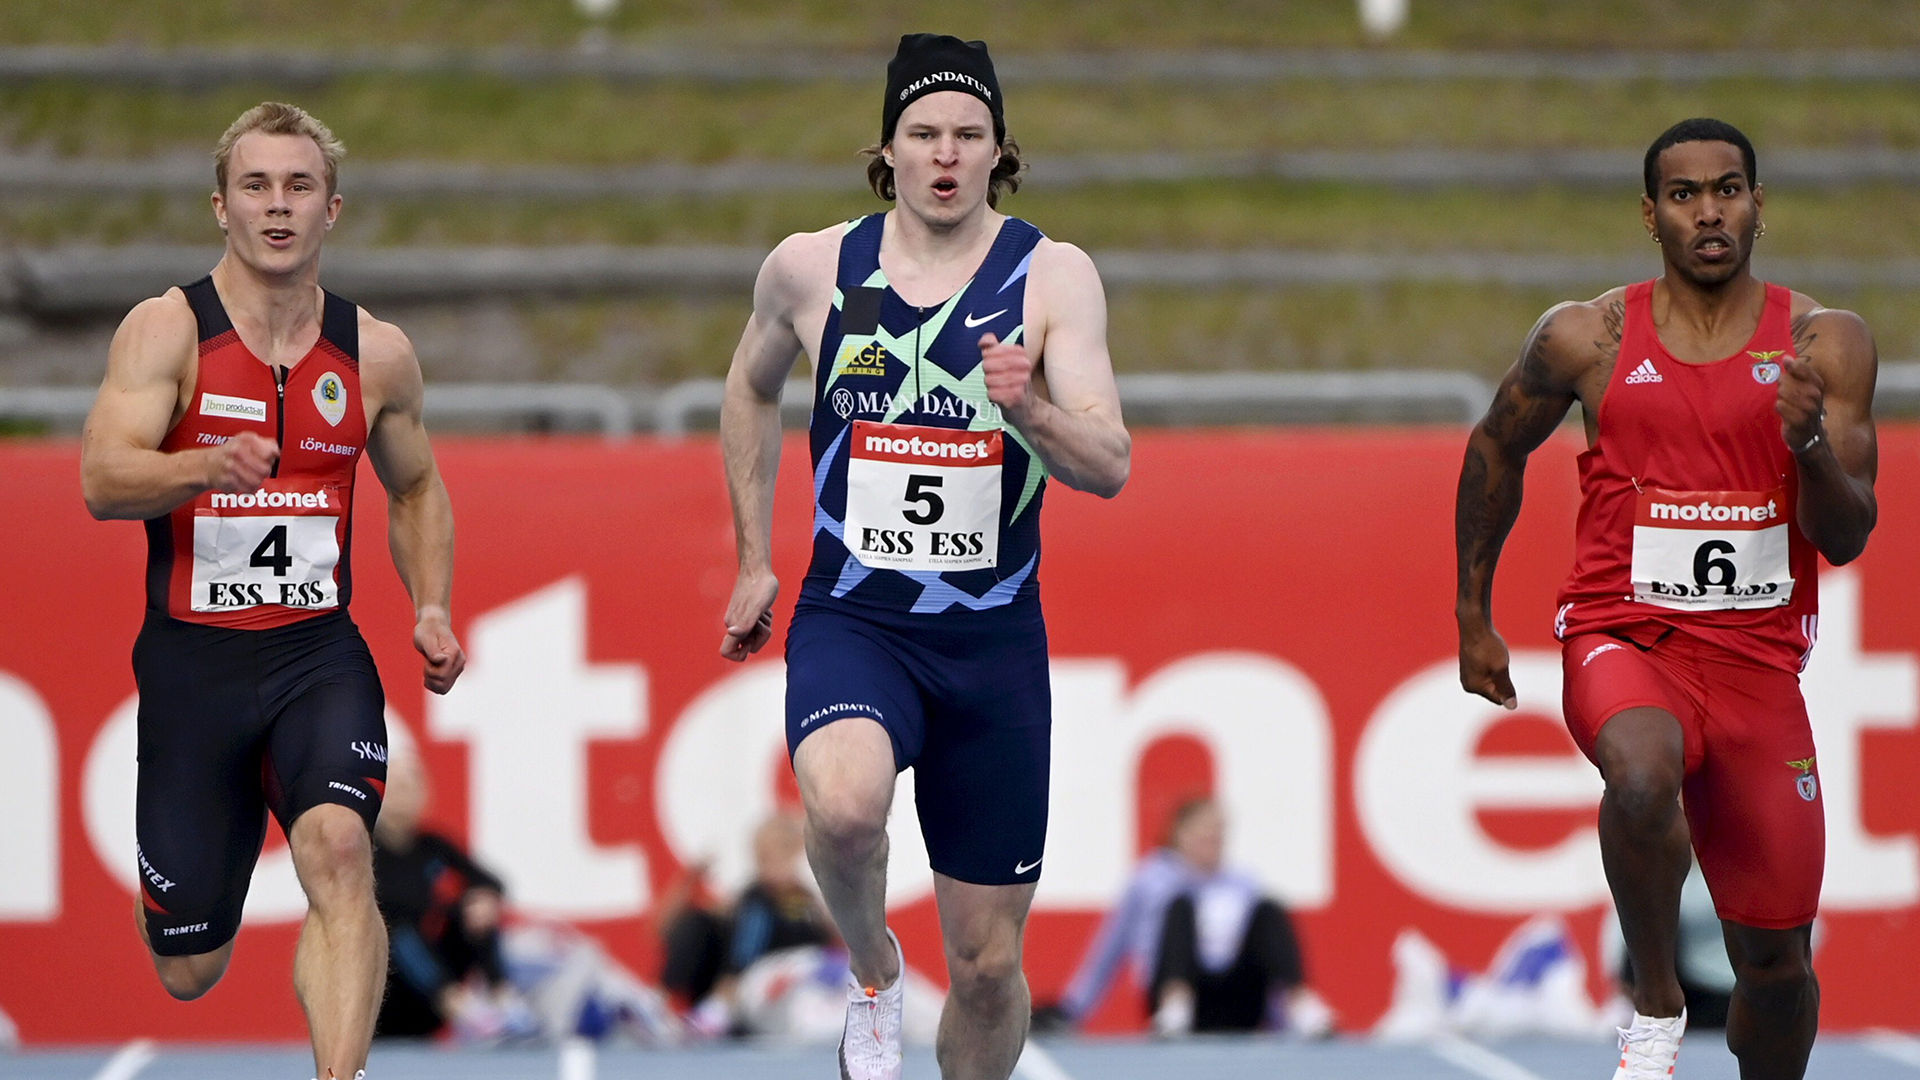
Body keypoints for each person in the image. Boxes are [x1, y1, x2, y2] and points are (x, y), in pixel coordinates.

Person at [716, 32, 1130, 1080]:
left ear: (1000, 151)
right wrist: (754, 557)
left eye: (969, 134)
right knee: (844, 805)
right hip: (857, 620)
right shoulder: (812, 268)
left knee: (988, 968)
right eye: (924, 132)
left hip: (992, 647)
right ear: (888, 149)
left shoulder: (1054, 277)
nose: (946, 154)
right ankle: (873, 973)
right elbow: (749, 388)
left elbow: (1110, 463)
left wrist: (1030, 408)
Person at [1454, 118, 1878, 1080]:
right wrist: (1472, 614)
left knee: (1777, 972)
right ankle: (1654, 1006)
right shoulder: (1588, 337)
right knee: (1641, 778)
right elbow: (1494, 447)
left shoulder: (1824, 344)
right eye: (1684, 195)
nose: (1709, 212)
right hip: (1625, 636)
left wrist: (1809, 445)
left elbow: (1848, 536)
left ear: (1758, 206)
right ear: (1651, 215)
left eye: (1727, 190)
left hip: (1758, 669)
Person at [79, 101, 466, 1080]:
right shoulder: (166, 331)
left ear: (332, 208)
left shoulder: (376, 352)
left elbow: (416, 486)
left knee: (340, 850)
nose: (278, 205)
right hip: (193, 665)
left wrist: (430, 604)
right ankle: (184, 881)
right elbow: (102, 480)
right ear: (222, 206)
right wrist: (201, 467)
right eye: (256, 185)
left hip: (315, 654)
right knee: (189, 967)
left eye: (300, 186)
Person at [1048, 797, 1312, 1036]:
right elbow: (1110, 947)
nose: (1213, 838)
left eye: (1218, 832)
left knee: (1269, 908)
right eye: (1204, 831)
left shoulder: (1244, 882)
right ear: (1180, 833)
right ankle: (1177, 1003)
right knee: (1181, 906)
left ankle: (1299, 1006)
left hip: (1237, 995)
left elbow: (1263, 947)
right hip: (1175, 993)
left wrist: (1279, 1024)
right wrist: (1072, 1009)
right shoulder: (1150, 879)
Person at [372, 753, 532, 1043]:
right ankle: (462, 1007)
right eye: (396, 787)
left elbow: (491, 881)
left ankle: (502, 1000)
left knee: (474, 906)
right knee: (396, 928)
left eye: (411, 787)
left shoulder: (432, 846)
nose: (404, 796)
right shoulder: (366, 849)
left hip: (428, 998)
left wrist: (481, 901)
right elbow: (393, 904)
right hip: (386, 995)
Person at [660, 809, 837, 1036]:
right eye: (765, 856)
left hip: (806, 986)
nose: (773, 863)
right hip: (755, 987)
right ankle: (716, 1008)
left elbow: (833, 949)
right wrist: (690, 880)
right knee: (732, 914)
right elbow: (666, 929)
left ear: (796, 852)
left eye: (781, 851)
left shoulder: (809, 901)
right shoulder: (750, 902)